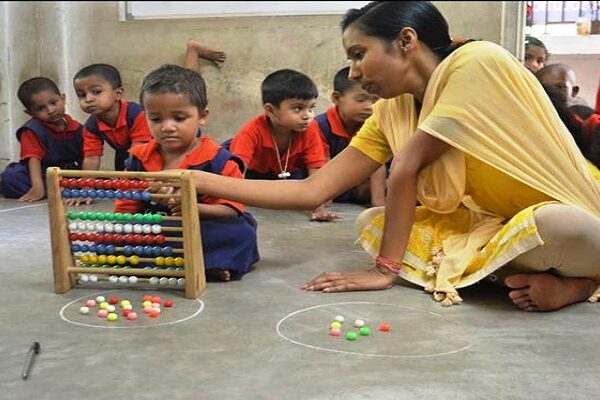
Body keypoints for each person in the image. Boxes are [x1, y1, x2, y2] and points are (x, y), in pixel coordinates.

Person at [181, 1, 600, 312]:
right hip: (497, 226)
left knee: (555, 223)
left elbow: (406, 168)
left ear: (405, 41)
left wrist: (386, 270)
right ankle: (539, 279)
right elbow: (313, 190)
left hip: (573, 218)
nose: (356, 73)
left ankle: (580, 285)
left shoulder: (477, 62)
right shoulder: (393, 108)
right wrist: (196, 180)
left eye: (359, 54)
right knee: (371, 222)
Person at [114, 64, 259, 282]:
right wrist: (143, 201)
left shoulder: (219, 160)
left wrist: (190, 207)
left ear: (202, 116)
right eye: (156, 119)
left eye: (179, 118)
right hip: (155, 228)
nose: (167, 127)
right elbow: (124, 210)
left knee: (240, 232)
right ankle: (195, 263)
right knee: (114, 236)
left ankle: (201, 263)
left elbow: (230, 209)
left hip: (203, 226)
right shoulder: (137, 159)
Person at [226, 69, 340, 221]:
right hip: (252, 174)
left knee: (305, 190)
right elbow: (237, 171)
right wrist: (233, 206)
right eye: (298, 108)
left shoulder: (310, 129)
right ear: (270, 110)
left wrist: (318, 208)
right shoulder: (250, 131)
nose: (307, 116)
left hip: (288, 173)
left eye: (311, 108)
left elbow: (316, 169)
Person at [0, 77, 83, 201]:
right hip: (39, 174)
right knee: (12, 177)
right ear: (30, 113)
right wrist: (37, 188)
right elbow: (33, 160)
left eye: (53, 102)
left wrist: (87, 183)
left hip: (65, 173)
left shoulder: (77, 128)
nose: (50, 110)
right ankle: (52, 189)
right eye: (40, 108)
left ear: (63, 98)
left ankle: (60, 188)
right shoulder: (32, 130)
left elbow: (85, 158)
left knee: (101, 180)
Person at [315, 66, 387, 207]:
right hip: (334, 184)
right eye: (361, 100)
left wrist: (378, 204)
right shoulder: (320, 126)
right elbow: (322, 164)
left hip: (361, 182)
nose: (369, 107)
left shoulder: (375, 123)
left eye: (374, 100)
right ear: (336, 98)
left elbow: (378, 163)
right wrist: (322, 203)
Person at [73, 63, 152, 172]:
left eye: (96, 92)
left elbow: (138, 152)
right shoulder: (91, 126)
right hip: (124, 158)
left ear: (118, 94)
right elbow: (91, 158)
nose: (88, 99)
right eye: (81, 95)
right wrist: (87, 186)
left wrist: (126, 181)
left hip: (150, 157)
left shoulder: (137, 115)